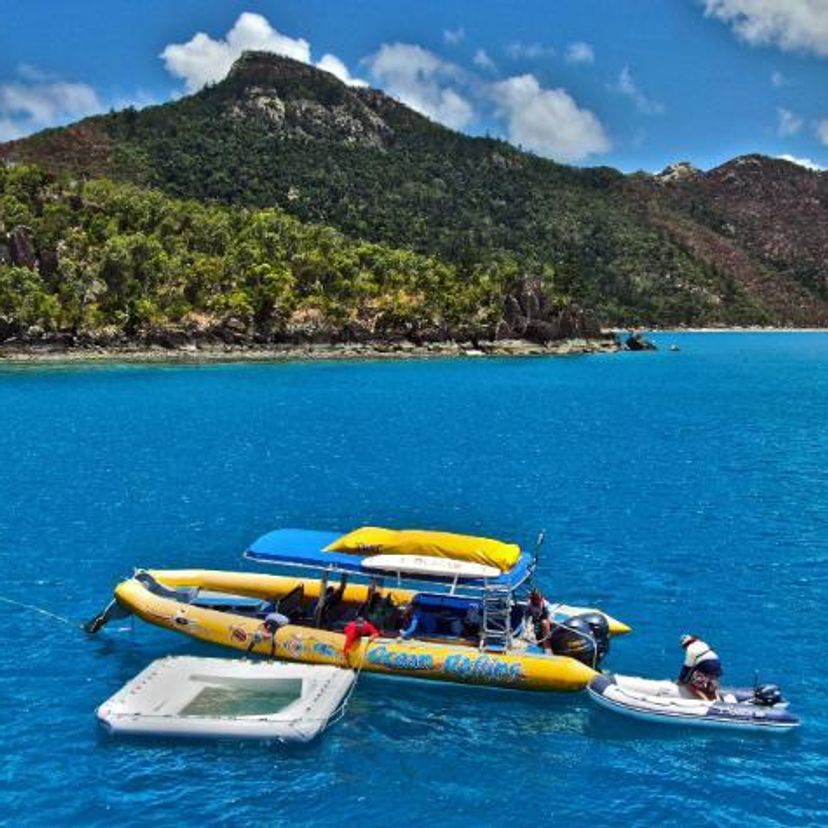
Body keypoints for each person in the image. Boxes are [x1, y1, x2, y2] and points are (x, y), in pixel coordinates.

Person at [678, 634, 723, 700]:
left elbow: (687, 667)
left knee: (691, 685)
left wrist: (681, 680)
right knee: (709, 685)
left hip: (706, 665)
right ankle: (716, 699)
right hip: (717, 664)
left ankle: (703, 700)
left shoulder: (690, 649)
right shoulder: (703, 643)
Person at [526, 589, 555, 653]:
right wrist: (528, 626)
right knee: (530, 628)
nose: (536, 601)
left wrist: (548, 622)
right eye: (535, 599)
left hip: (545, 620)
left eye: (538, 599)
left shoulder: (546, 605)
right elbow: (527, 616)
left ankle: (547, 644)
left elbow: (550, 617)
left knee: (544, 623)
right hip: (535, 621)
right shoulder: (529, 604)